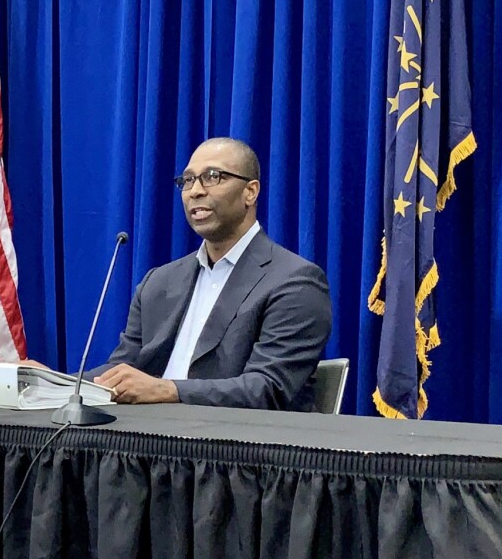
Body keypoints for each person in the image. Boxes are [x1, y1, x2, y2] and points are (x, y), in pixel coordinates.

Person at [23, 138, 330, 411]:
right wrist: (53, 383)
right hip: (151, 449)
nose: (195, 191)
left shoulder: (294, 282)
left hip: (236, 458)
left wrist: (166, 389)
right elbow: (121, 369)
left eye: (213, 177)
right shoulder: (159, 282)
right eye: (187, 180)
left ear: (250, 192)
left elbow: (268, 389)